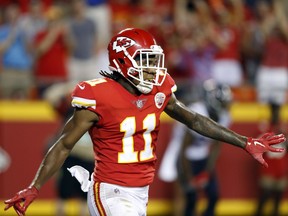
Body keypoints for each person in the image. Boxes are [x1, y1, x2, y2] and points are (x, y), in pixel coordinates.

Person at [3, 28, 286, 216]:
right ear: (123, 62)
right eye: (145, 60)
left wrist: (245, 142)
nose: (153, 69)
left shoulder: (159, 87)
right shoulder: (97, 96)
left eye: (154, 60)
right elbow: (63, 145)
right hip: (111, 191)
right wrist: (35, 185)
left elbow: (195, 120)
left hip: (141, 192)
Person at [159, 79, 232, 216]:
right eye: (223, 102)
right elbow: (183, 148)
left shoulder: (224, 116)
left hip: (201, 156)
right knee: (189, 198)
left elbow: (216, 146)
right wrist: (189, 176)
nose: (226, 106)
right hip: (183, 156)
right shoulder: (198, 112)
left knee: (213, 195)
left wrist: (207, 171)